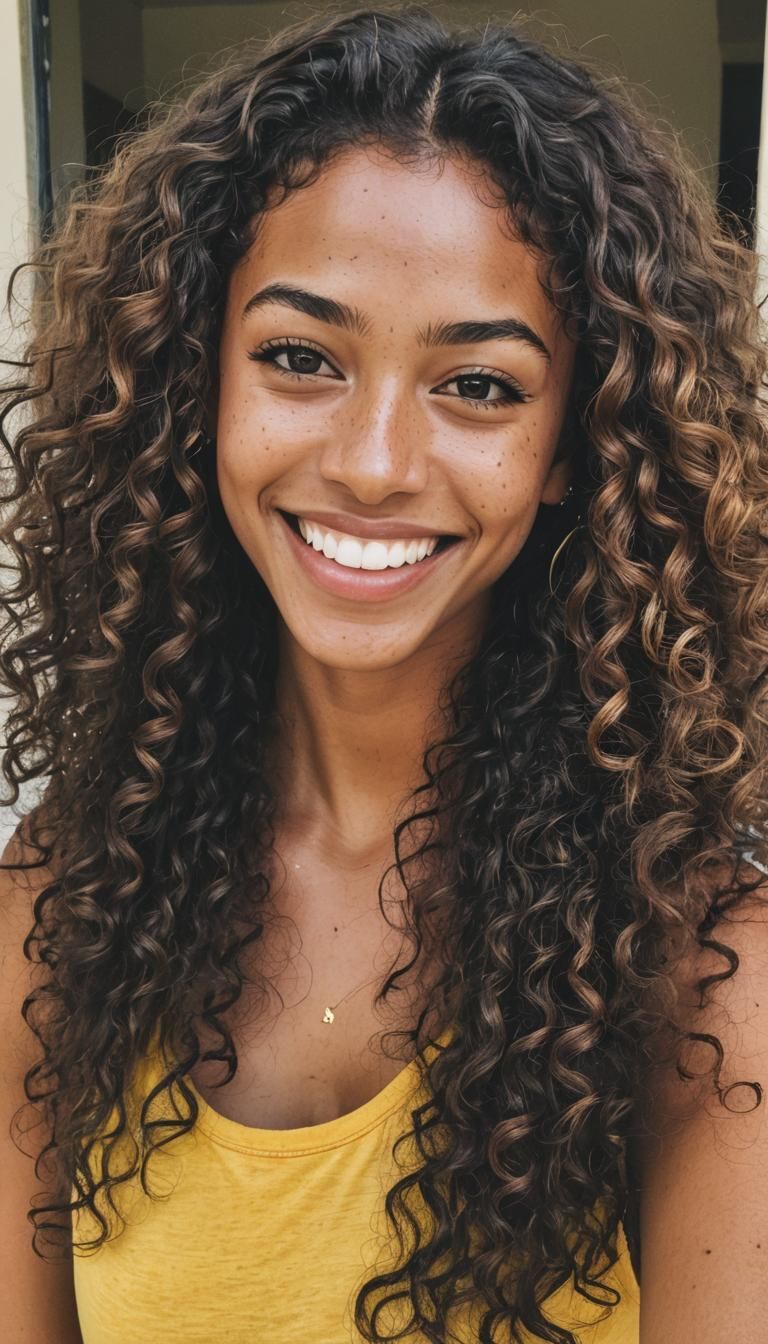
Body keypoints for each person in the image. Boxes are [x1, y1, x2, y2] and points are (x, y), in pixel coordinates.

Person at [1, 4, 768, 1341]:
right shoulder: (52, 918)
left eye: (478, 386)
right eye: (300, 358)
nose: (370, 460)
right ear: (196, 384)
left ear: (574, 449)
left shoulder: (707, 983)